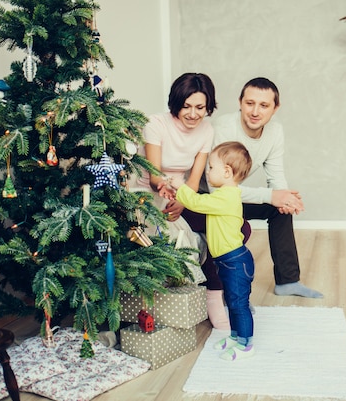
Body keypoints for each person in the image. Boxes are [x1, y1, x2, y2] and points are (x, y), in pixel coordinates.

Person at [206, 77, 322, 298]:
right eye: (250, 103)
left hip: (233, 197)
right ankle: (230, 291)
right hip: (209, 200)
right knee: (269, 201)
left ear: (275, 108)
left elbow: (276, 176)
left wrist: (286, 198)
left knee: (280, 209)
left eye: (264, 105)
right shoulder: (224, 128)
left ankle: (288, 281)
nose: (255, 111)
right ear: (240, 102)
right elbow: (217, 191)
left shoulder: (275, 132)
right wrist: (271, 195)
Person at [135, 72, 233, 328]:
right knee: (168, 236)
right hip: (149, 193)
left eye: (200, 107)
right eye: (186, 106)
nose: (193, 114)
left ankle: (216, 295)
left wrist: (183, 200)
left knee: (236, 226)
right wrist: (167, 192)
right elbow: (154, 174)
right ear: (176, 104)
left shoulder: (206, 130)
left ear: (208, 106)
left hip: (182, 193)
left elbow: (193, 179)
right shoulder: (155, 124)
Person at [160, 141, 255, 361]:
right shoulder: (223, 195)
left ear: (227, 172)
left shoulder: (226, 197)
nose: (208, 172)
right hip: (227, 261)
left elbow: (196, 202)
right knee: (231, 302)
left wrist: (179, 184)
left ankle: (247, 344)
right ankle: (236, 336)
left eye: (211, 168)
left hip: (235, 260)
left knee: (238, 304)